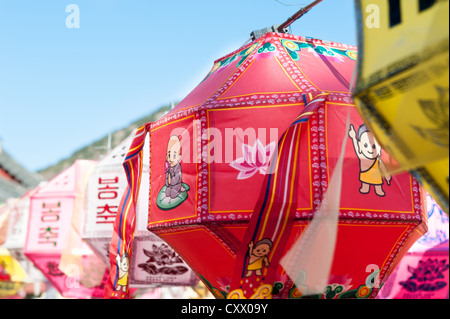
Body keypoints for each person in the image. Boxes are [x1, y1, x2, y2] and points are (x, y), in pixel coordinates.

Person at [348, 124, 392, 197]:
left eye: (374, 146)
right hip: (365, 176)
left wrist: (387, 176)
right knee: (365, 188)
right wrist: (353, 138)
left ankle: (378, 190)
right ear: (360, 145)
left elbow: (384, 169)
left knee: (378, 189)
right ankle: (365, 188)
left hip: (376, 177)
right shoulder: (362, 156)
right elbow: (356, 148)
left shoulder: (378, 161)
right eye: (365, 145)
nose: (370, 149)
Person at [163, 135, 186, 204]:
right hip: (170, 184)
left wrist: (171, 181)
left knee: (173, 195)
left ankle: (180, 189)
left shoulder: (177, 166)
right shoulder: (169, 166)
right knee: (167, 193)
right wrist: (168, 181)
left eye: (174, 156)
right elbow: (167, 176)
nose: (171, 159)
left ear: (179, 157)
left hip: (176, 184)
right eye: (169, 155)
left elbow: (177, 177)